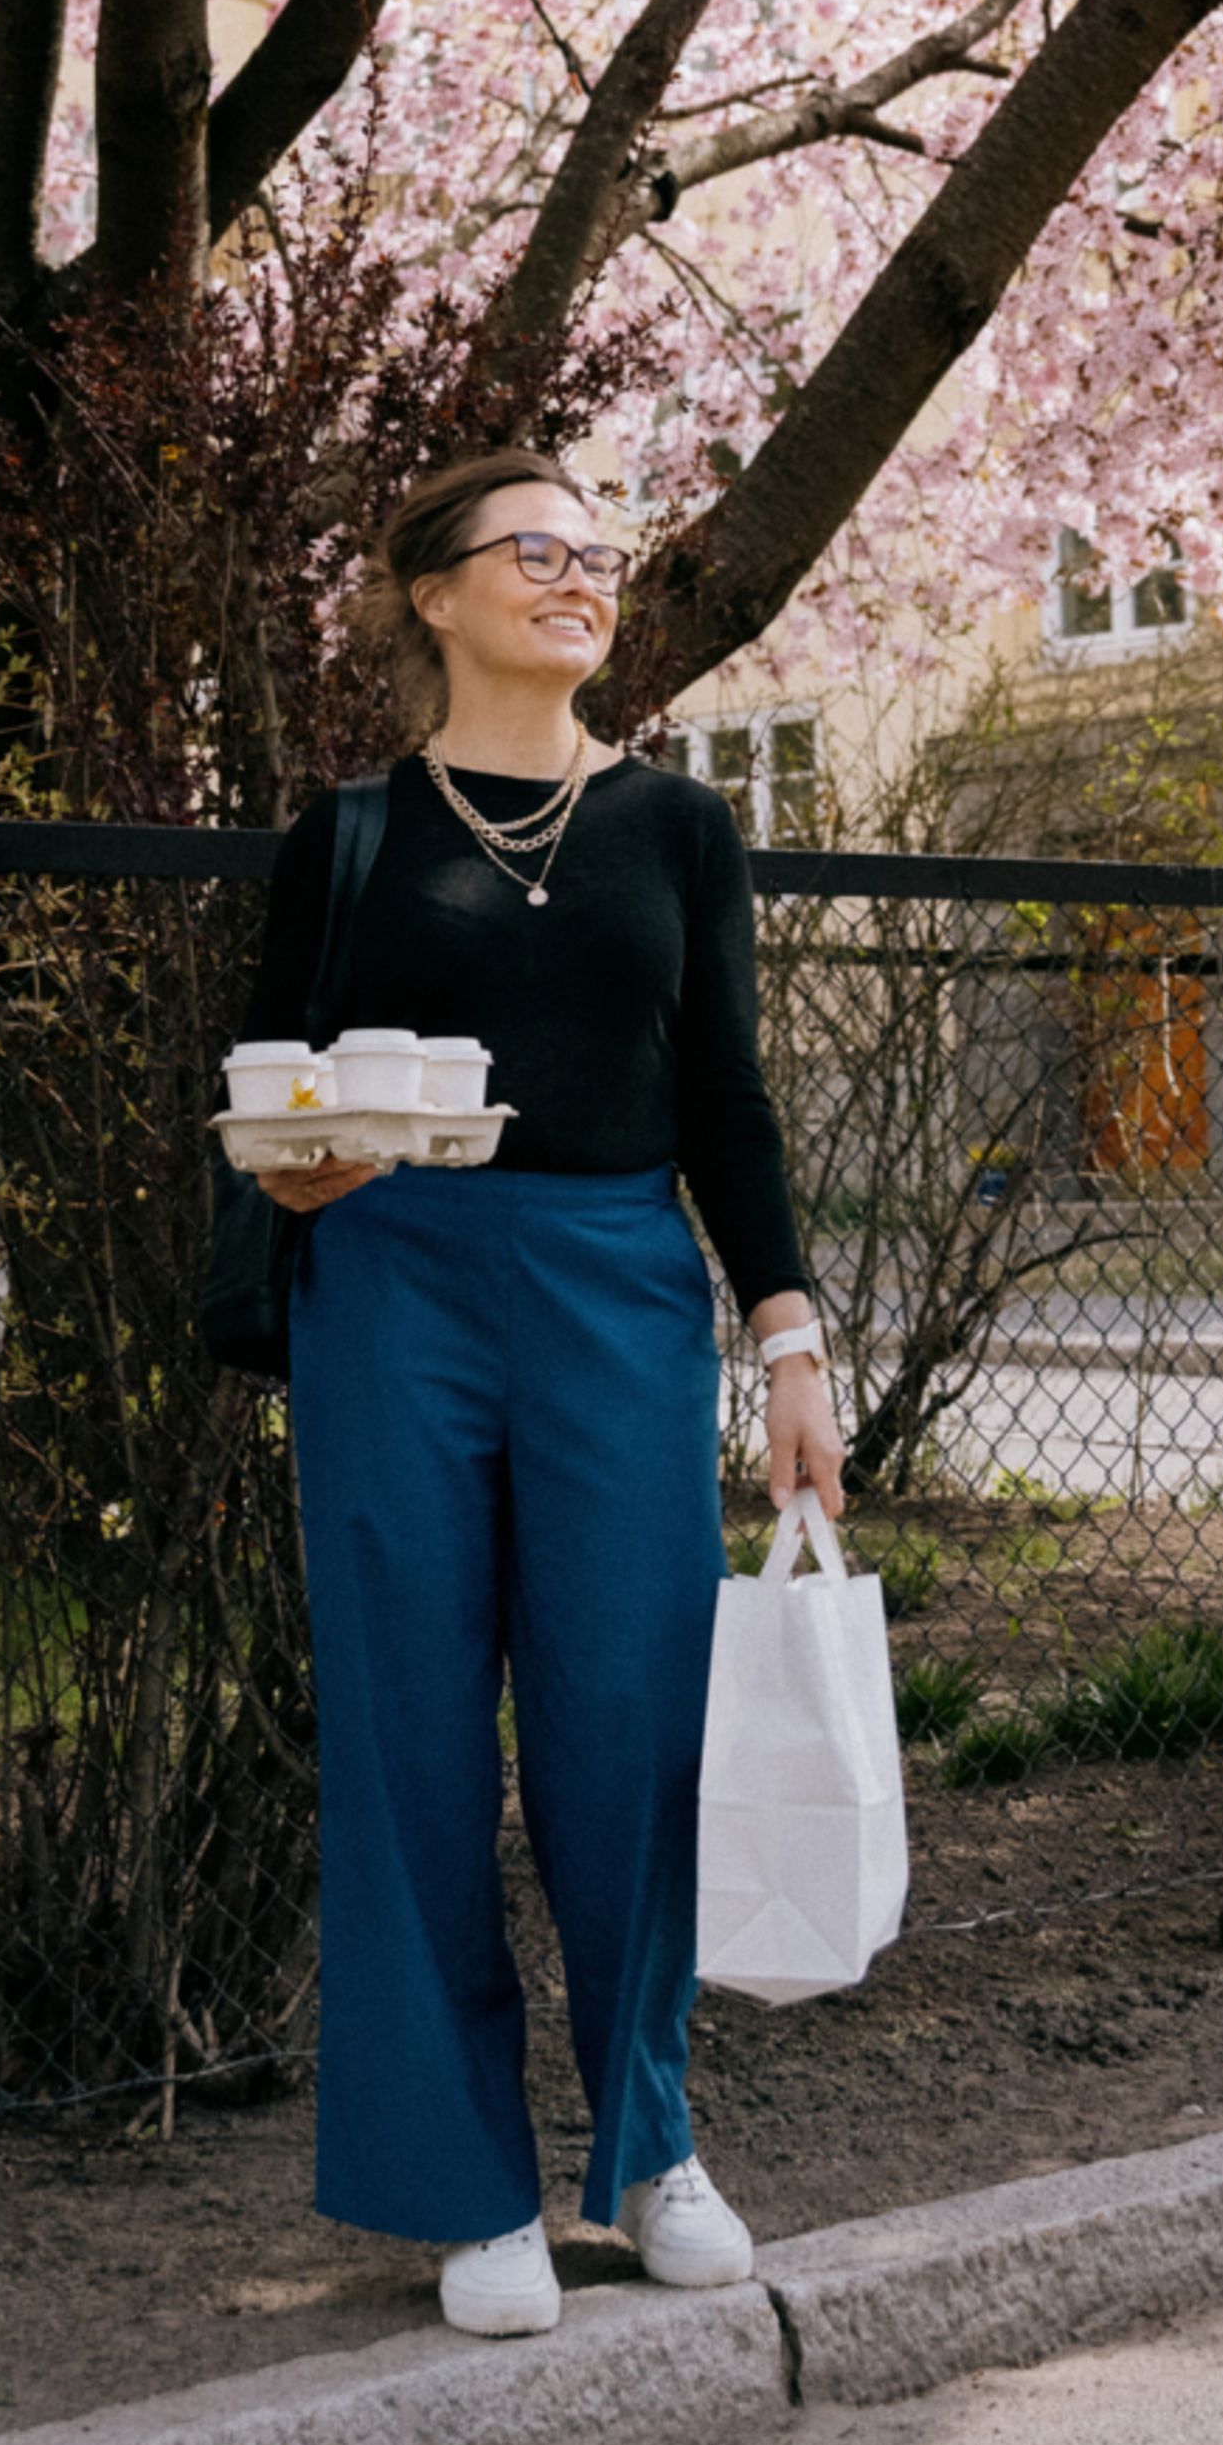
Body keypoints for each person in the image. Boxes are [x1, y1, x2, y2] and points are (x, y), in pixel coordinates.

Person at [239, 447, 848, 2337]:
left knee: (627, 1722)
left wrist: (791, 1333)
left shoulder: (677, 828)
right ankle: (465, 2187)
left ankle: (652, 2140)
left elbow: (726, 1099)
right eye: (538, 549)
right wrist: (305, 1164)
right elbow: (271, 1102)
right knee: (412, 1728)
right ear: (435, 591)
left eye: (599, 552)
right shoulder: (344, 835)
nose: (581, 576)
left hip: (613, 1291)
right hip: (395, 1286)